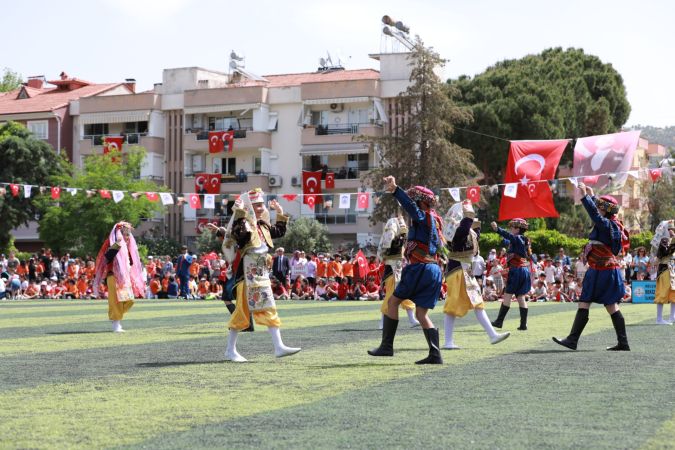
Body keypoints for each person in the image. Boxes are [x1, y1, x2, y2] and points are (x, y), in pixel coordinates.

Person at [211, 188, 300, 362]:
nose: (260, 208)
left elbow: (278, 232)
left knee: (270, 308)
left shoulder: (261, 225)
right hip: (247, 275)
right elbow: (240, 235)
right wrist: (240, 212)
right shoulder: (244, 224)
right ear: (250, 206)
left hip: (261, 273)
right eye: (256, 205)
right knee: (242, 313)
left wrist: (280, 213)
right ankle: (230, 350)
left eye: (261, 205)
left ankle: (279, 346)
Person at [369, 176, 444, 365]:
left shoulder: (423, 216)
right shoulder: (436, 220)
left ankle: (387, 347)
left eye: (415, 201)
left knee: (393, 303)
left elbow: (411, 208)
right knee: (421, 314)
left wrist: (396, 190)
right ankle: (435, 355)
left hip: (420, 268)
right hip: (434, 269)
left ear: (420, 202)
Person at [553, 182, 631, 351]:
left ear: (606, 210)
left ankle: (574, 340)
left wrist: (583, 197)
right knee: (600, 304)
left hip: (603, 271)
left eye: (600, 206)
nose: (598, 208)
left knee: (596, 303)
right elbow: (598, 211)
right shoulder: (611, 223)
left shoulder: (606, 224)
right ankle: (621, 343)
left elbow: (595, 214)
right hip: (601, 270)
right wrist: (591, 194)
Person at [441, 201, 510, 349]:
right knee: (452, 305)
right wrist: (468, 213)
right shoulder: (456, 232)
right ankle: (448, 342)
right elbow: (466, 227)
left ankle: (492, 335)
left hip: (465, 271)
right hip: (457, 271)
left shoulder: (463, 230)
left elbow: (475, 235)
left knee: (478, 303)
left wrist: (473, 218)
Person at [93, 222, 145, 332]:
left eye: (128, 234)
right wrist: (117, 245)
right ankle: (116, 323)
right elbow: (106, 257)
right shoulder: (113, 244)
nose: (128, 236)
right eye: (125, 234)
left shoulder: (127, 246)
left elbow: (131, 263)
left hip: (124, 278)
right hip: (113, 276)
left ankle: (116, 318)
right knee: (116, 301)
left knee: (130, 300)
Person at [377, 216, 419, 329]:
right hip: (391, 271)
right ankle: (382, 321)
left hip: (401, 271)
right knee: (390, 295)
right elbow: (388, 247)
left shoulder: (400, 242)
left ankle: (412, 319)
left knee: (406, 293)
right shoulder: (393, 242)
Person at [490, 218, 533, 331]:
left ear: (518, 229)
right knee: (520, 297)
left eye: (512, 227)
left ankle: (499, 321)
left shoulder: (517, 238)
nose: (510, 229)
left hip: (516, 270)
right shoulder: (524, 239)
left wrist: (497, 229)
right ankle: (523, 325)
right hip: (524, 270)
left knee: (507, 295)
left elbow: (508, 237)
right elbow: (507, 241)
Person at [651, 220, 675, 324]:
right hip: (664, 270)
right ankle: (659, 319)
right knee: (662, 292)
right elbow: (665, 253)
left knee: (673, 293)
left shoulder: (671, 240)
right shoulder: (663, 240)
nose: (672, 231)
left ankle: (672, 317)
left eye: (673, 229)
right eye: (670, 229)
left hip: (672, 270)